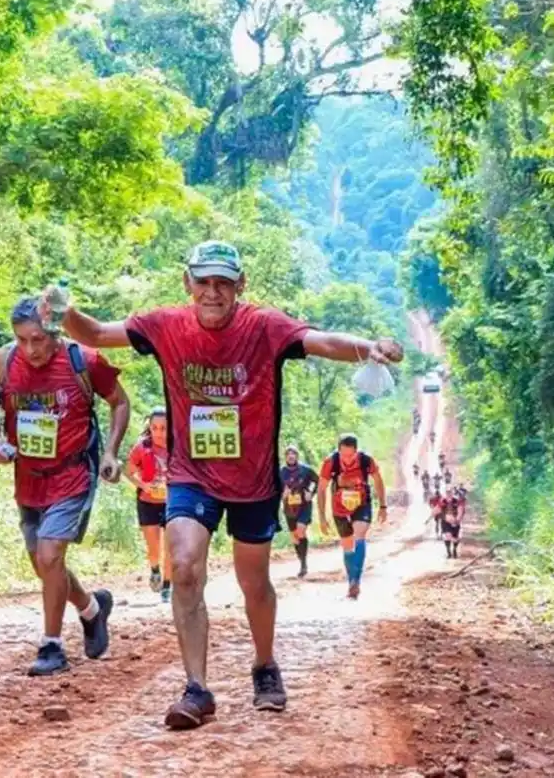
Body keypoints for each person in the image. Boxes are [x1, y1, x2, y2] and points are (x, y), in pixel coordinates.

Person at [46, 240, 403, 729]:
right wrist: (64, 311)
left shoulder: (263, 326)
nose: (213, 292)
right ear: (187, 283)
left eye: (224, 283)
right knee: (186, 566)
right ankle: (196, 688)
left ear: (240, 285)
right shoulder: (165, 325)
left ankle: (264, 665)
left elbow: (321, 341)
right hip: (192, 475)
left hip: (253, 479)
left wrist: (369, 347)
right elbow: (97, 333)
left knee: (253, 582)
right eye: (204, 281)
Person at [0, 297, 129, 676]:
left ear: (55, 333)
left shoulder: (84, 361)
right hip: (29, 478)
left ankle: (52, 646)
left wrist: (111, 452)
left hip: (73, 473)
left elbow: (119, 402)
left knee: (49, 555)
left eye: (39, 339)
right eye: (22, 339)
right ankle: (93, 609)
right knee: (44, 565)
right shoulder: (2, 363)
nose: (31, 349)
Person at [317, 434, 388, 600]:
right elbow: (321, 489)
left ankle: (357, 579)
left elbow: (378, 480)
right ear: (338, 451)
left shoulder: (366, 461)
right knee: (347, 545)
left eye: (350, 455)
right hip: (339, 507)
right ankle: (351, 582)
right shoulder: (330, 462)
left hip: (361, 503)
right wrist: (321, 516)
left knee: (359, 534)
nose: (347, 459)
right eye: (343, 455)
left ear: (356, 451)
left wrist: (383, 506)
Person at [127, 407, 172, 602]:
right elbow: (128, 471)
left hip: (172, 503)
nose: (159, 433)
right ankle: (155, 570)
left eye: (163, 428)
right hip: (148, 502)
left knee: (170, 547)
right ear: (150, 428)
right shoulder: (142, 447)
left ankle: (167, 586)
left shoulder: (177, 446)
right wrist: (144, 485)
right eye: (155, 428)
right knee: (154, 547)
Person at [279, 445, 319, 578]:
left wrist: (310, 492)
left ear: (297, 456)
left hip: (304, 506)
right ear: (285, 457)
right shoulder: (280, 472)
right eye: (288, 454)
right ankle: (302, 561)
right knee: (295, 537)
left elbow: (316, 481)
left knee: (301, 530)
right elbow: (273, 489)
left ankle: (304, 563)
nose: (291, 456)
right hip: (289, 508)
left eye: (293, 454)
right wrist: (282, 495)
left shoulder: (306, 470)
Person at [440, 487, 466, 558]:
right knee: (446, 536)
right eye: (447, 493)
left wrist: (458, 519)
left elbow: (461, 510)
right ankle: (448, 551)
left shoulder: (457, 501)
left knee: (456, 536)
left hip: (455, 521)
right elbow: (439, 510)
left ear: (452, 493)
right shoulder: (442, 501)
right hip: (445, 522)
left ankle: (454, 549)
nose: (449, 494)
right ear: (446, 493)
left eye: (450, 492)